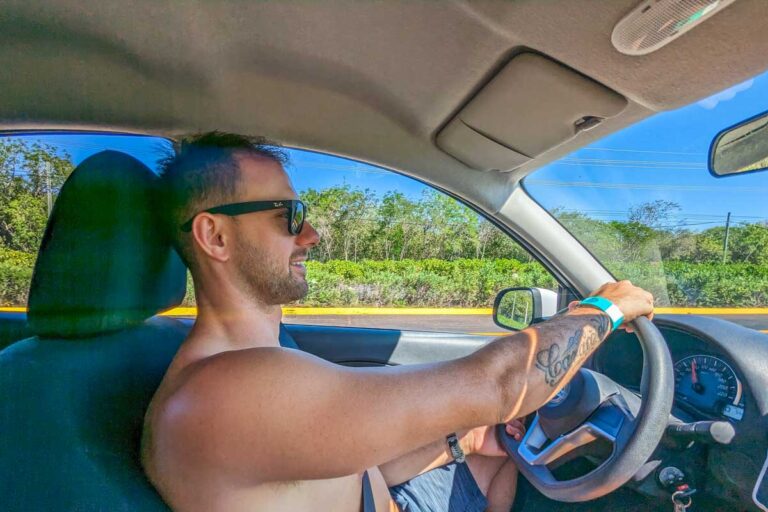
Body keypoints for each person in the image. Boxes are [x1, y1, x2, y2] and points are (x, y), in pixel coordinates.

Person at [141, 132, 655, 512]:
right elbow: (502, 385)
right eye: (288, 216)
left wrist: (461, 442)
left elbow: (340, 474)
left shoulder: (248, 367)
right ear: (215, 236)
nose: (311, 234)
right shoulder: (227, 392)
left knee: (495, 449)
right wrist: (605, 308)